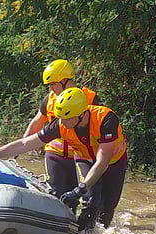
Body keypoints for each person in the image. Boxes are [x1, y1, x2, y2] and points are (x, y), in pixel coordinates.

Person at [0, 88, 127, 231]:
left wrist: (79, 189)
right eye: (60, 118)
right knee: (91, 201)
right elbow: (25, 143)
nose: (62, 123)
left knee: (108, 206)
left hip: (113, 162)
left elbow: (102, 161)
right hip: (85, 158)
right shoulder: (60, 124)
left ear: (81, 115)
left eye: (66, 119)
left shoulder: (106, 120)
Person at [22, 59, 102, 200]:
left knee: (80, 199)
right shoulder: (49, 99)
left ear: (65, 81)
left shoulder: (90, 98)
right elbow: (37, 123)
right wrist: (21, 148)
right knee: (56, 194)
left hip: (80, 157)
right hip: (55, 154)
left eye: (53, 84)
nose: (51, 89)